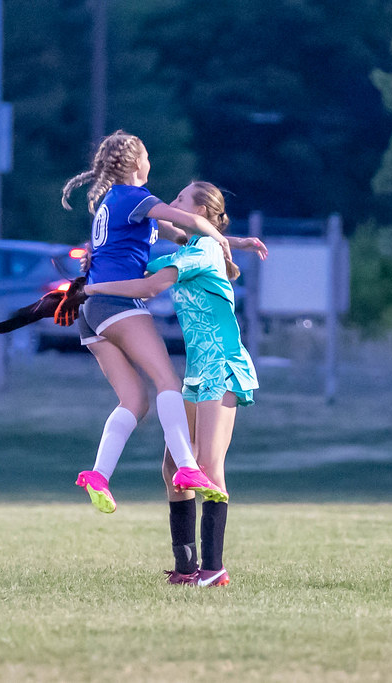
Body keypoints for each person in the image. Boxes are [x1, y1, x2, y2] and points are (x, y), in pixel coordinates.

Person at [79, 181, 265, 587]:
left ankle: (215, 570)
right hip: (198, 371)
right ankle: (185, 569)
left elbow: (148, 288)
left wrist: (93, 288)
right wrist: (98, 264)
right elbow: (139, 266)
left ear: (200, 209)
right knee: (173, 468)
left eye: (180, 200)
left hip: (221, 365)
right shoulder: (190, 250)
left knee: (208, 466)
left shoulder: (203, 252)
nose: (172, 204)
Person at [60, 130, 237, 515]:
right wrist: (220, 241)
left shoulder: (115, 202)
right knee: (168, 382)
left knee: (134, 400)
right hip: (115, 302)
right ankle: (188, 468)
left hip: (92, 312)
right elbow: (189, 219)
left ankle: (99, 474)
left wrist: (234, 242)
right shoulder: (135, 197)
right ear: (137, 163)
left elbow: (184, 233)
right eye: (146, 153)